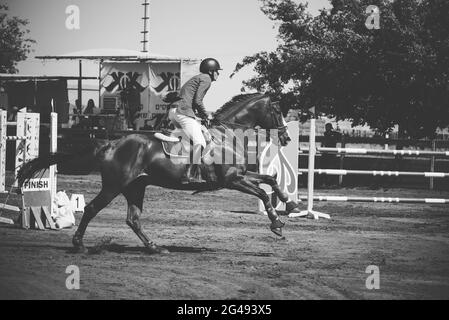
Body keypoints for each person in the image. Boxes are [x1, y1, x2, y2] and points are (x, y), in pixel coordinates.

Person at [168, 58, 221, 184]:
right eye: (217, 71)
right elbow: (198, 101)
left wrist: (200, 116)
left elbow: (193, 102)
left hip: (175, 111)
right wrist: (207, 115)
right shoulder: (206, 79)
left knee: (195, 136)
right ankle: (189, 175)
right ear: (211, 71)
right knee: (201, 142)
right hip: (182, 111)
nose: (218, 74)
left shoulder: (199, 77)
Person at [320, 123, 341, 187]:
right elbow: (323, 141)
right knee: (325, 166)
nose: (326, 128)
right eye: (326, 127)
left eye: (328, 127)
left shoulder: (334, 133)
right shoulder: (325, 134)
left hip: (332, 152)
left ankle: (331, 182)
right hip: (326, 152)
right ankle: (325, 182)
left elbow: (340, 136)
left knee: (332, 166)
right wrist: (322, 148)